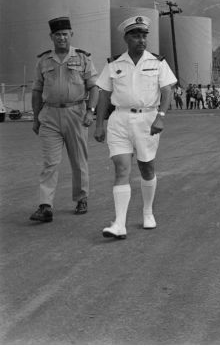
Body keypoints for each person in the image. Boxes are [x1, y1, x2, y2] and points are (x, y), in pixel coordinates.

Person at [94, 15, 176, 239]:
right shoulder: (114, 64)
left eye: (144, 35)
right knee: (121, 169)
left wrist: (160, 116)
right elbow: (104, 95)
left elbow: (168, 90)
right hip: (119, 119)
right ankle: (119, 224)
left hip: (147, 119)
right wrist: (99, 124)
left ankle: (147, 212)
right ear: (126, 38)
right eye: (136, 36)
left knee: (147, 167)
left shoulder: (157, 62)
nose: (141, 40)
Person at [29, 16, 99, 223]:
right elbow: (36, 90)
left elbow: (93, 87)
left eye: (65, 34)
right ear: (51, 36)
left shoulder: (83, 58)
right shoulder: (43, 61)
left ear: (71, 35)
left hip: (76, 113)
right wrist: (36, 118)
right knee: (50, 163)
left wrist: (90, 112)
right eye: (57, 35)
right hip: (49, 116)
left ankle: (81, 198)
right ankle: (45, 206)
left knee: (78, 160)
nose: (61, 38)